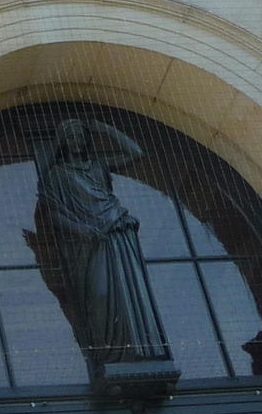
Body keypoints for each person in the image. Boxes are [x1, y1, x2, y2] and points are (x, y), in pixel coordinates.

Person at [33, 119, 172, 366]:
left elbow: (135, 153)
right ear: (62, 142)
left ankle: (142, 350)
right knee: (99, 293)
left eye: (79, 135)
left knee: (129, 291)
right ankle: (108, 354)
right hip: (86, 243)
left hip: (116, 232)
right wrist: (81, 229)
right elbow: (53, 212)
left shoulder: (99, 166)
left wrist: (106, 129)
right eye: (70, 136)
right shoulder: (57, 174)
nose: (75, 141)